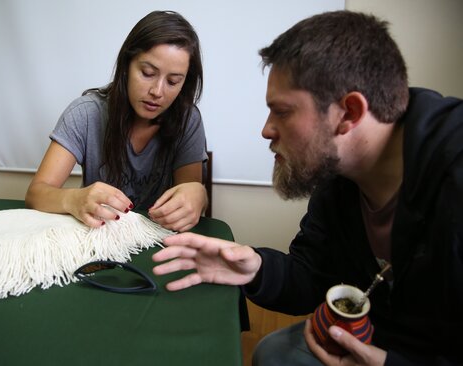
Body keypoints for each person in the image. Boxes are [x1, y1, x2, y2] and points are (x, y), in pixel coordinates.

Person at [152, 10, 463, 366]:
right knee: (272, 354)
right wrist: (255, 268)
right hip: (374, 332)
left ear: (348, 113)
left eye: (281, 111)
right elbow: (313, 277)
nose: (266, 130)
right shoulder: (337, 175)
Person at [25, 10, 208, 232]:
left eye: (173, 81)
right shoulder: (85, 114)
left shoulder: (187, 120)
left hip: (158, 241)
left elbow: (188, 196)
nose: (157, 91)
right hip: (99, 236)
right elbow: (36, 194)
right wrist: (74, 199)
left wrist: (198, 195)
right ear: (126, 66)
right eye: (148, 73)